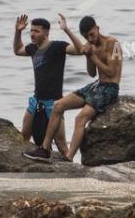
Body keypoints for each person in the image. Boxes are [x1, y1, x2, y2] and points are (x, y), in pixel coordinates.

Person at [23, 15, 122, 163]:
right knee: (58, 105)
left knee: (80, 118)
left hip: (110, 88)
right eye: (87, 37)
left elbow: (111, 72)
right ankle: (44, 150)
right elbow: (92, 73)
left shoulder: (114, 44)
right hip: (96, 85)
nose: (90, 38)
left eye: (92, 34)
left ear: (97, 28)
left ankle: (69, 157)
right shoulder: (91, 46)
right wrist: (88, 55)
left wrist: (92, 56)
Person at [13, 14, 86, 156]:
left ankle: (71, 170)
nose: (32, 34)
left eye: (36, 31)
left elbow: (80, 50)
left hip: (54, 104)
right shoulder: (32, 48)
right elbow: (17, 50)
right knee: (24, 136)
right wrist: (18, 31)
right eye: (31, 31)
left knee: (61, 144)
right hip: (36, 101)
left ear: (46, 33)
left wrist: (66, 30)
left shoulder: (57, 47)